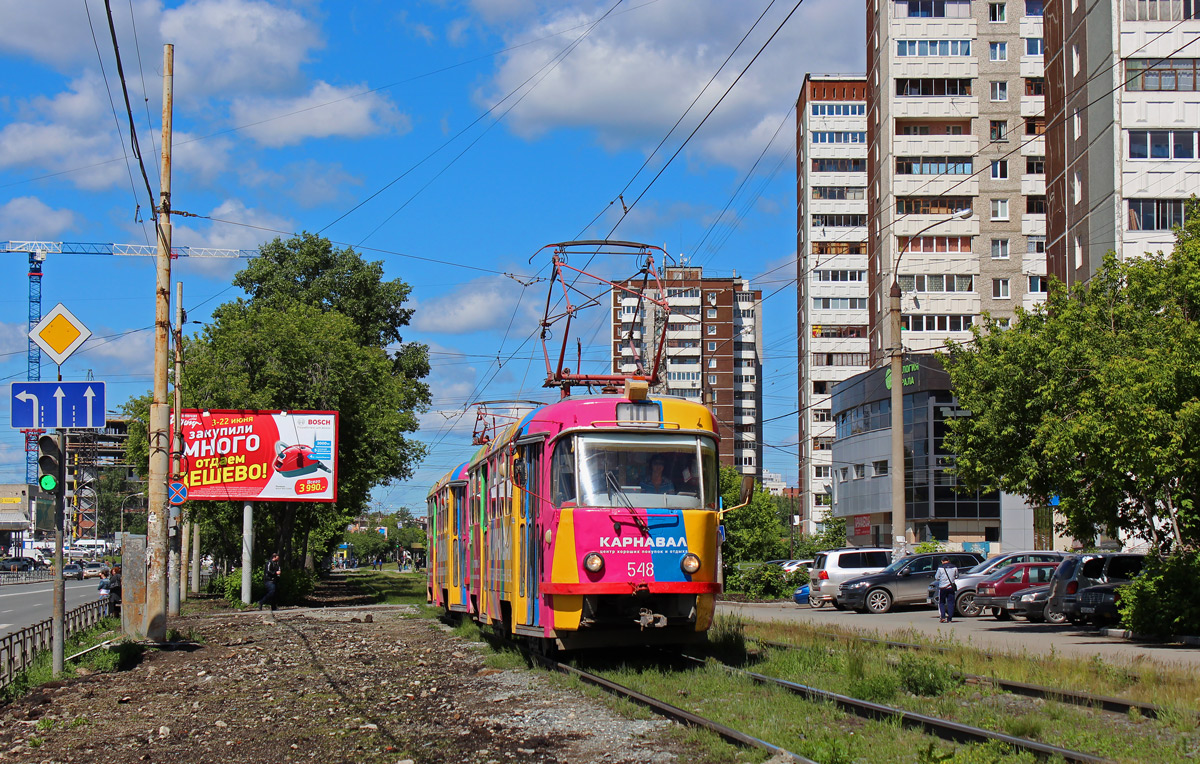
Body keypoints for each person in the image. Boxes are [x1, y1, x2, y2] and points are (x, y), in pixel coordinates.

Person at [933, 556, 959, 623]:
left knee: (941, 602)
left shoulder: (940, 568)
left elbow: (936, 577)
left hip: (942, 587)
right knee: (950, 603)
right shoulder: (954, 567)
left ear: (942, 561)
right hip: (951, 587)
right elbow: (957, 576)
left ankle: (943, 617)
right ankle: (950, 619)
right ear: (948, 560)